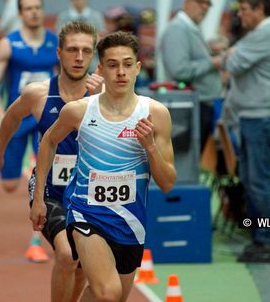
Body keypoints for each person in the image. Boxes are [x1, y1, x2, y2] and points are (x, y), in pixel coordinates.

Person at [31, 31, 177, 301]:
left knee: (112, 297)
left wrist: (150, 147)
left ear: (137, 68)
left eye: (126, 64)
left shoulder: (155, 114)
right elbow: (48, 142)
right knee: (108, 293)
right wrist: (39, 197)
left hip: (131, 222)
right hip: (87, 214)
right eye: (112, 65)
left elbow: (167, 183)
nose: (120, 72)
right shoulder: (79, 111)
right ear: (100, 69)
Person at [0, 21, 103, 302]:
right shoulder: (38, 93)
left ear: (93, 55)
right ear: (59, 53)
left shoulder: (105, 96)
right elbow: (11, 119)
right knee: (66, 254)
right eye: (72, 50)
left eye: (86, 51)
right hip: (51, 190)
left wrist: (101, 99)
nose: (79, 57)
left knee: (81, 266)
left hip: (90, 192)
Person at [221, 0, 270, 262]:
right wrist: (231, 53)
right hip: (254, 115)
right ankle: (263, 237)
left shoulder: (267, 34)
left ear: (260, 8)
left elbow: (234, 64)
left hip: (263, 116)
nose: (242, 16)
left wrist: (229, 54)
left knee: (260, 182)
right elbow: (234, 56)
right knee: (253, 180)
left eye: (246, 10)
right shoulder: (260, 34)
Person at [0, 0, 59, 194]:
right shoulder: (8, 44)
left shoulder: (56, 44)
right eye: (28, 8)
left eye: (37, 7)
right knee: (9, 185)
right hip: (17, 117)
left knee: (51, 178)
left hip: (46, 118)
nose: (34, 12)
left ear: (43, 11)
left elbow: (68, 80)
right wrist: (1, 116)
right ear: (20, 14)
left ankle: (43, 205)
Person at [160, 0, 223, 152]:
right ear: (186, 2)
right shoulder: (177, 30)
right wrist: (214, 62)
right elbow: (180, 70)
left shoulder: (190, 28)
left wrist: (209, 52)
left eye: (208, 3)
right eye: (200, 1)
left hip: (199, 104)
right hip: (192, 108)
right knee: (186, 163)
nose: (205, 7)